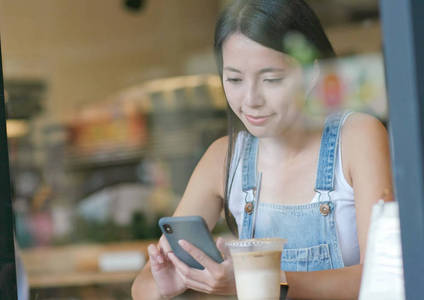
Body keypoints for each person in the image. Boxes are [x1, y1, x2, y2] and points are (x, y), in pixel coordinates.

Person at [131, 0, 393, 298]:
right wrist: (165, 287)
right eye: (234, 79)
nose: (251, 99)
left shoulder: (358, 138)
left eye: (271, 79)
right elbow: (142, 285)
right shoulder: (224, 158)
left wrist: (259, 279)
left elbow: (379, 276)